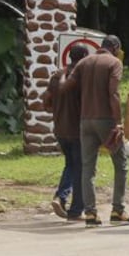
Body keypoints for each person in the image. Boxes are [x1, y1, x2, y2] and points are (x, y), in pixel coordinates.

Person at [62, 34, 128, 227]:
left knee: (88, 168)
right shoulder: (114, 63)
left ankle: (90, 213)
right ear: (115, 47)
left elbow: (67, 87)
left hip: (85, 121)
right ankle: (118, 210)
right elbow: (113, 93)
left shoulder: (84, 62)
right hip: (106, 119)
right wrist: (118, 122)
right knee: (121, 164)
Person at [48, 44, 90, 220]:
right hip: (77, 130)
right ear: (85, 56)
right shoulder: (81, 77)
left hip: (60, 128)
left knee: (71, 165)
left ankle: (61, 197)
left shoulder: (57, 76)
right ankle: (75, 210)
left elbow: (46, 102)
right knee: (80, 168)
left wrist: (59, 110)